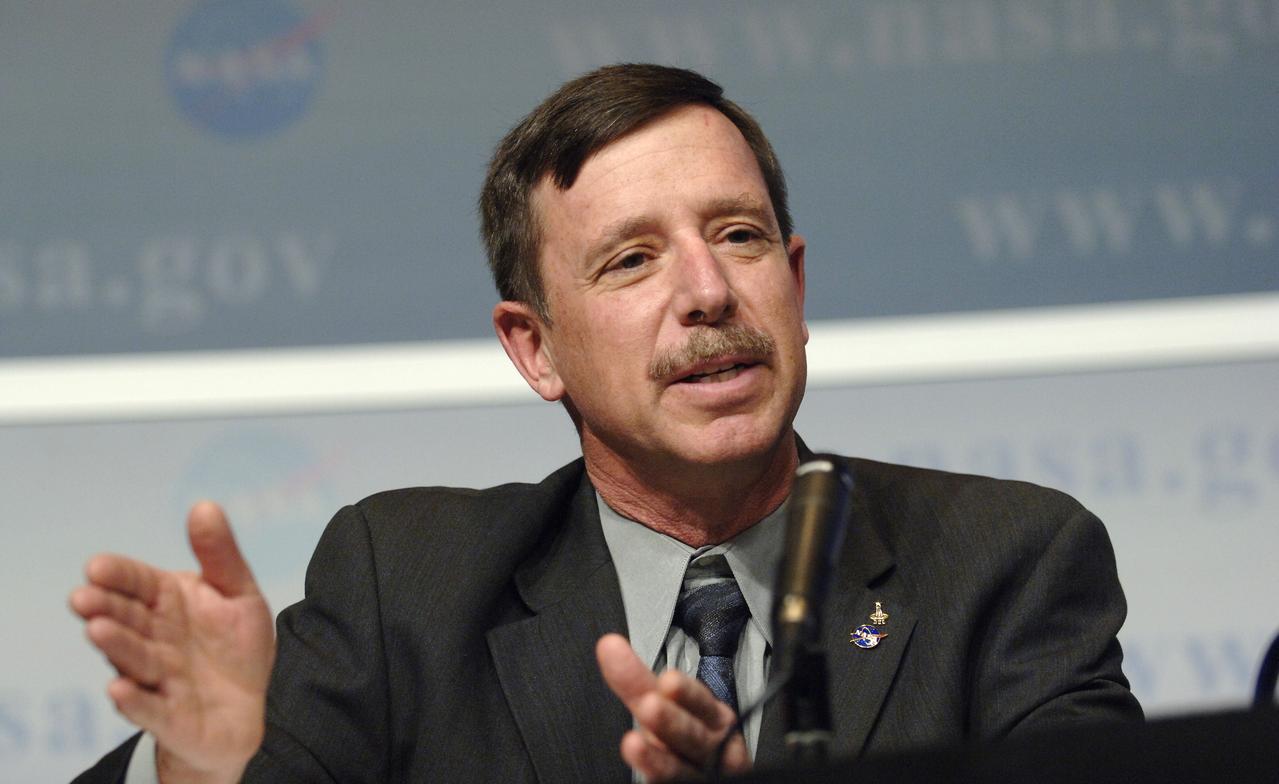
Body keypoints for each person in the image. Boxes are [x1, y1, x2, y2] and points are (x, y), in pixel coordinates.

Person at [70, 64, 1141, 784]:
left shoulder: (1004, 564)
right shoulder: (407, 584)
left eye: (738, 235)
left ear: (796, 283)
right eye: (632, 259)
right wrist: (208, 772)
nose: (709, 291)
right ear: (534, 347)